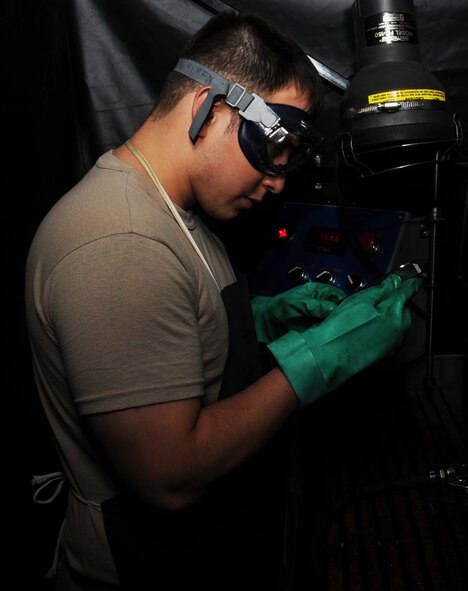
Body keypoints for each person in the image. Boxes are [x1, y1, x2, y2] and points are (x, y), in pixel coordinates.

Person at [25, 10, 421, 590]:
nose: (281, 181)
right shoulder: (120, 242)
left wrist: (261, 320)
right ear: (209, 108)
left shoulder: (172, 211)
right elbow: (171, 475)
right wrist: (316, 360)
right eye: (274, 147)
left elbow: (172, 331)